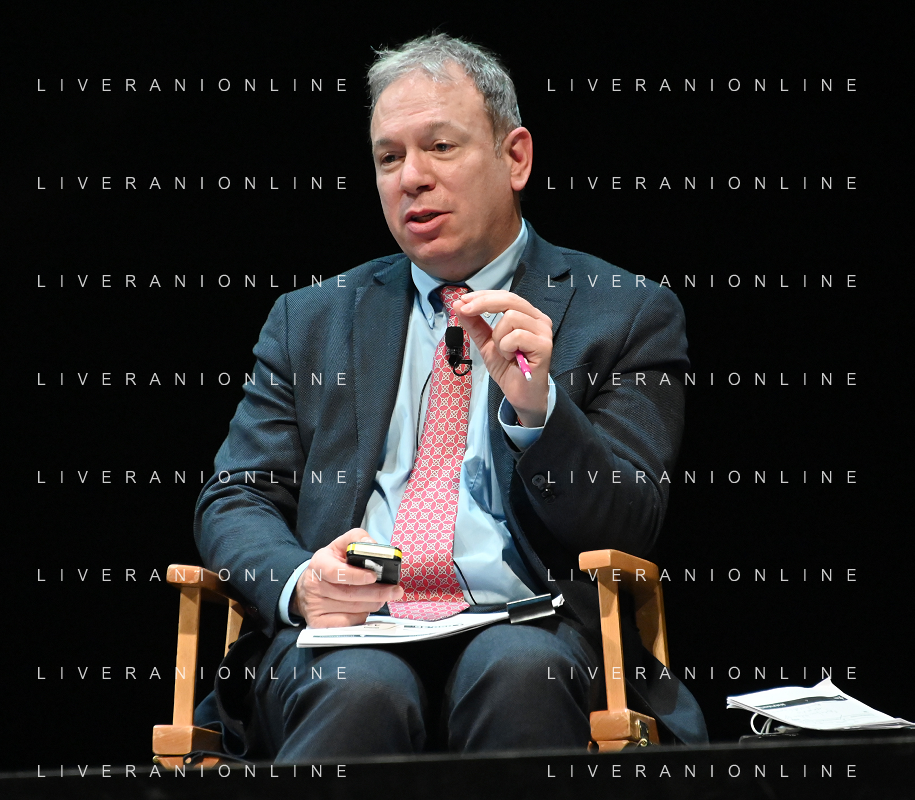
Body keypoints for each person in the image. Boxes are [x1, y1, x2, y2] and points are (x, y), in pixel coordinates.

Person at [193, 33, 706, 760]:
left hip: (532, 627)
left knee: (518, 670)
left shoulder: (624, 311)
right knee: (360, 686)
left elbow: (630, 521)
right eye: (389, 157)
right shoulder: (308, 321)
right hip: (350, 635)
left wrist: (540, 414)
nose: (412, 178)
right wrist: (302, 582)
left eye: (440, 147)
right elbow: (235, 495)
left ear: (515, 158)